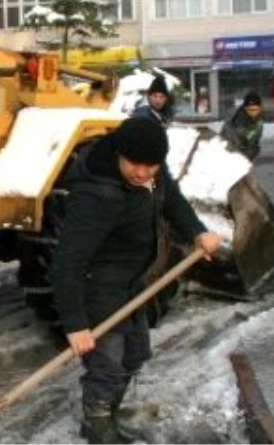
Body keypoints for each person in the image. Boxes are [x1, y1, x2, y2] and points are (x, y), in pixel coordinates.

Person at [52, 117, 223, 444]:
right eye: (134, 163)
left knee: (135, 354)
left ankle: (109, 417)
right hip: (98, 289)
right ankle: (98, 427)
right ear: (119, 152)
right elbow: (67, 262)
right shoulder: (97, 195)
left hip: (132, 284)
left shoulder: (153, 177)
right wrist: (75, 323)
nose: (142, 172)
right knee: (107, 363)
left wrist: (197, 232)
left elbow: (172, 201)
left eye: (151, 165)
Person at [220, 92, 265, 161]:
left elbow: (255, 138)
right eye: (250, 110)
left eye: (256, 110)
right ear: (245, 109)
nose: (254, 113)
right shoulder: (237, 121)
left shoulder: (258, 120)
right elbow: (230, 140)